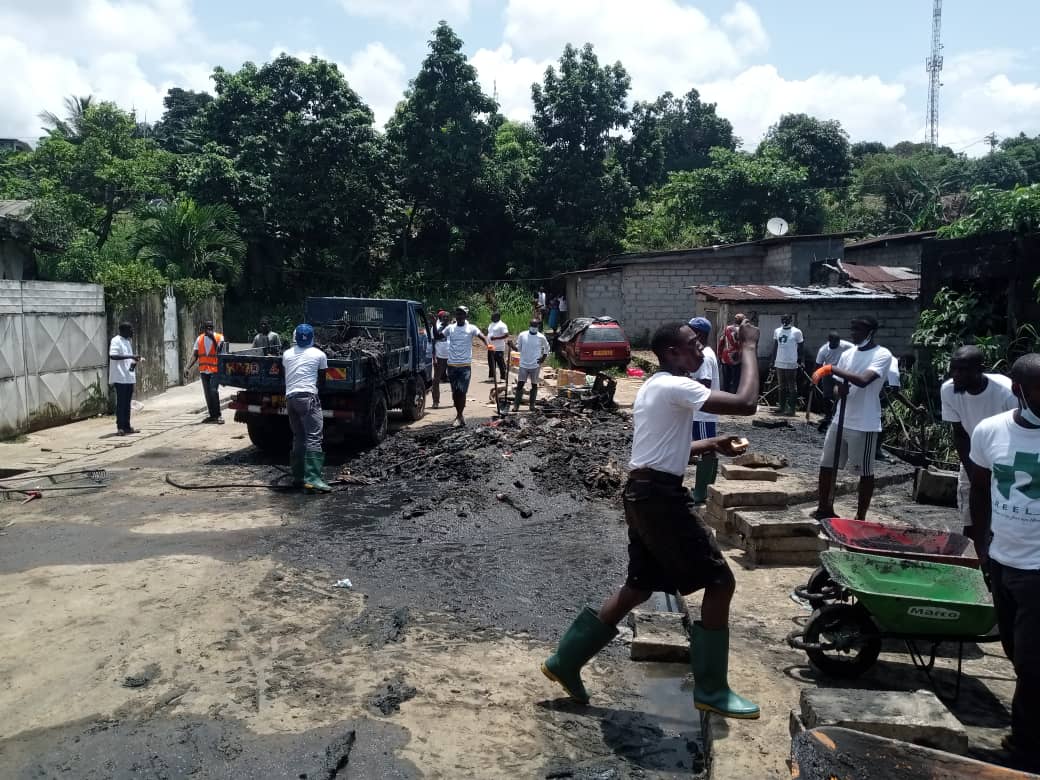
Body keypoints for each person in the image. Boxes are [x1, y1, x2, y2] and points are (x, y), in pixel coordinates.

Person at [541, 320, 763, 719]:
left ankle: (565, 660)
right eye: (695, 346)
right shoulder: (678, 386)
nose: (701, 352)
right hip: (660, 498)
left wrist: (710, 444)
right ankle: (712, 689)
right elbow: (747, 403)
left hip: (642, 493)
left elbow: (659, 447)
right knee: (719, 582)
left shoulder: (654, 387)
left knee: (639, 587)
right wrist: (748, 348)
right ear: (673, 353)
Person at [968, 353, 1040, 771]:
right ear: (1019, 390)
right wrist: (981, 544)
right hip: (1003, 560)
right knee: (1016, 653)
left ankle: (1025, 751)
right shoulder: (991, 431)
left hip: (1038, 572)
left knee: (1032, 663)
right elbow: (980, 488)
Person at [811, 316, 892, 521]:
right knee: (826, 464)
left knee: (864, 472)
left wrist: (830, 368)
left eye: (859, 330)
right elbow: (839, 386)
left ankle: (860, 516)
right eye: (853, 329)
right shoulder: (848, 355)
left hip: (864, 423)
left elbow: (864, 381)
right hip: (841, 418)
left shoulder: (882, 355)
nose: (854, 333)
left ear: (871, 332)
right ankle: (824, 508)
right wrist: (840, 391)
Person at [941, 345, 1016, 534]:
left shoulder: (1005, 392)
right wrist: (973, 471)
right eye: (953, 369)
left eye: (963, 370)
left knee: (1004, 510)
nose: (956, 375)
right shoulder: (949, 390)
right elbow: (959, 434)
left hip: (1006, 454)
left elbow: (1017, 432)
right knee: (970, 507)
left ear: (980, 369)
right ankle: (973, 554)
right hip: (973, 452)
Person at [282, 324, 331, 493]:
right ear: (312, 338)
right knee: (314, 437)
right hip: (308, 398)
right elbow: (323, 381)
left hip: (290, 399)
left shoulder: (287, 354)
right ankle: (313, 479)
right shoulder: (319, 355)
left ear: (295, 337)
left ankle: (298, 477)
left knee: (299, 436)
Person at [688, 317, 720, 504]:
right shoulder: (706, 353)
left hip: (703, 412)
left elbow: (704, 383)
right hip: (704, 412)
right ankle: (707, 488)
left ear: (698, 334)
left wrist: (683, 383)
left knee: (706, 450)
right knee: (709, 449)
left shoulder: (705, 357)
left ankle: (701, 492)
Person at [444, 306, 491, 427]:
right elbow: (440, 336)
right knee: (455, 392)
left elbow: (482, 336)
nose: (459, 316)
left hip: (465, 365)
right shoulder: (450, 328)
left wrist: (488, 345)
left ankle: (460, 415)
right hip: (452, 365)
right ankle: (459, 415)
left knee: (462, 391)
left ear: (466, 316)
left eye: (462, 314)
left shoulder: (471, 328)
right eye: (457, 314)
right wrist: (435, 325)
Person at [184, 320, 225, 424]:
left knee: (213, 391)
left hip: (215, 370)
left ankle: (218, 415)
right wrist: (187, 367)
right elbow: (195, 355)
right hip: (204, 371)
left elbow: (220, 352)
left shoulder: (219, 337)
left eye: (211, 327)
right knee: (207, 394)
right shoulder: (200, 339)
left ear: (213, 327)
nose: (209, 329)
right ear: (203, 328)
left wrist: (213, 339)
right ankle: (212, 416)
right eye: (207, 327)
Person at [814, 332, 853, 432]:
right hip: (827, 371)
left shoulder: (847, 346)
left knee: (839, 394)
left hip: (841, 371)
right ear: (829, 341)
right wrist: (815, 379)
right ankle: (828, 416)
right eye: (834, 343)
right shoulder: (823, 350)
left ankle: (838, 415)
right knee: (826, 395)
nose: (836, 345)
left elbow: (856, 352)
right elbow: (818, 366)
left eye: (837, 342)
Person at [109, 321, 142, 435]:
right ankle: (120, 427)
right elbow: (113, 356)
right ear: (123, 330)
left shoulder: (127, 341)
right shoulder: (116, 340)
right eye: (130, 329)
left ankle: (127, 426)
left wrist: (134, 361)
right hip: (120, 377)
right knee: (121, 403)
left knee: (127, 403)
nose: (132, 331)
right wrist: (131, 356)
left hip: (128, 376)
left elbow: (127, 360)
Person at [510, 319, 550, 411]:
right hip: (524, 364)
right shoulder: (522, 335)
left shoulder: (541, 337)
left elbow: (547, 348)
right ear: (529, 325)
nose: (533, 328)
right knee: (520, 384)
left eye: (535, 326)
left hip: (535, 365)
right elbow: (518, 349)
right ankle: (516, 406)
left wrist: (543, 358)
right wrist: (511, 345)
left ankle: (532, 406)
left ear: (538, 327)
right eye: (532, 325)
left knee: (534, 385)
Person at [770, 314, 803, 416]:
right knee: (781, 386)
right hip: (779, 361)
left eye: (787, 319)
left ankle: (792, 409)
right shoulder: (777, 331)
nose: (784, 320)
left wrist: (802, 361)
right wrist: (772, 360)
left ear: (791, 320)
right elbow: (775, 346)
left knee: (792, 386)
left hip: (791, 362)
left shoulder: (797, 332)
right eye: (783, 319)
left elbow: (801, 347)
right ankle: (782, 407)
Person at [717, 312, 746, 394]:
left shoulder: (727, 328)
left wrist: (719, 355)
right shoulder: (743, 330)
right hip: (737, 359)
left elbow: (721, 341)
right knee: (735, 381)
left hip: (725, 358)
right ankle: (734, 399)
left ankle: (726, 398)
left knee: (726, 380)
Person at [430, 310, 450, 409]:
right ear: (440, 318)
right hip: (440, 357)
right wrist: (434, 358)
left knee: (454, 379)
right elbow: (433, 342)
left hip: (451, 357)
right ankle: (436, 401)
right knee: (436, 380)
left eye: (447, 317)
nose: (446, 319)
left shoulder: (452, 328)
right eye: (444, 317)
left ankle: (457, 400)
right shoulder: (436, 327)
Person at [486, 310, 510, 382]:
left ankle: (503, 378)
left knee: (500, 363)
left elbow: (506, 335)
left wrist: (496, 338)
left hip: (499, 348)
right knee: (491, 362)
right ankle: (492, 377)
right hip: (490, 347)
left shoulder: (502, 325)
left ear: (497, 317)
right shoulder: (491, 324)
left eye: (493, 316)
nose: (491, 317)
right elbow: (489, 333)